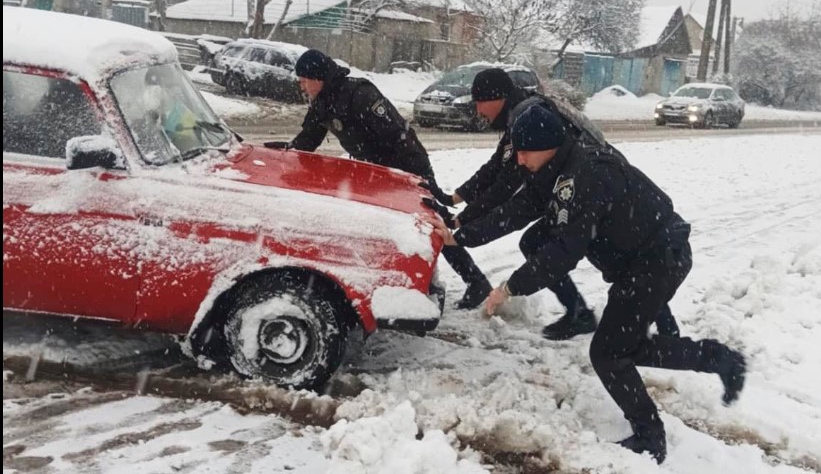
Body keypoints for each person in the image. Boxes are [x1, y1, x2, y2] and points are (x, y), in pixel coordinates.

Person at [435, 103, 746, 464]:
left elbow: (565, 252)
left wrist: (508, 288)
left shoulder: (588, 175)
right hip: (639, 261)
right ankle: (720, 359)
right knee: (623, 347)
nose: (518, 161)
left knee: (609, 353)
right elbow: (516, 212)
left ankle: (651, 436)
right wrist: (461, 237)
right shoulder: (554, 170)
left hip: (658, 259)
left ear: (547, 144)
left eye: (523, 152)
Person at [423, 68, 600, 335]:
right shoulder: (520, 112)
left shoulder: (529, 120)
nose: (478, 110)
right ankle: (580, 313)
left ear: (497, 97)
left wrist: (462, 222)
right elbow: (497, 166)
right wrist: (456, 197)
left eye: (480, 102)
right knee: (540, 243)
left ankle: (592, 316)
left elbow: (506, 187)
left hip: (586, 188)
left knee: (575, 246)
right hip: (571, 184)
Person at [267, 48, 435, 181]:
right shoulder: (321, 101)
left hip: (407, 165)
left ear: (317, 78)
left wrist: (414, 178)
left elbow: (396, 136)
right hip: (372, 169)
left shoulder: (359, 94)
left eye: (304, 81)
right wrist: (290, 148)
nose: (302, 87)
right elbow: (310, 138)